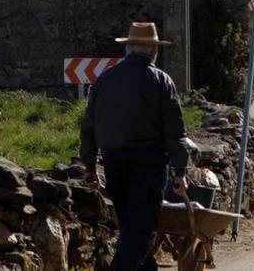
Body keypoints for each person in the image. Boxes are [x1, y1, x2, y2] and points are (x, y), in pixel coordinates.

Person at [78, 22, 190, 271]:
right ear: (153, 51)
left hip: (113, 159)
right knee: (142, 229)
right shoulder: (161, 80)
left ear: (128, 49)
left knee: (131, 225)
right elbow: (175, 130)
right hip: (148, 161)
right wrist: (180, 170)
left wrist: (89, 165)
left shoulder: (105, 79)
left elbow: (89, 126)